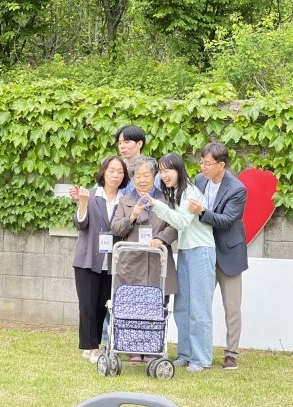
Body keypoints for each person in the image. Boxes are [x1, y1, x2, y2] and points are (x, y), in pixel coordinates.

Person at [143, 153, 216, 373]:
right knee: (182, 306)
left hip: (201, 251)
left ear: (179, 170)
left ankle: (202, 359)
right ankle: (185, 354)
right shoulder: (176, 193)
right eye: (161, 171)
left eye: (168, 170)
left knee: (199, 307)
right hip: (185, 251)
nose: (164, 175)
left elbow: (182, 222)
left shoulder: (191, 192)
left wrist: (156, 205)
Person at [110, 156, 178, 362]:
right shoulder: (125, 200)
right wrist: (132, 216)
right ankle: (133, 348)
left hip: (158, 263)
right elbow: (115, 228)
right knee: (133, 305)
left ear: (154, 176)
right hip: (132, 265)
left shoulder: (165, 200)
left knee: (157, 306)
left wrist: (160, 238)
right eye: (137, 176)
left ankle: (152, 348)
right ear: (132, 178)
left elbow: (174, 225)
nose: (142, 180)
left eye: (146, 175)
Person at [187, 142, 248, 370]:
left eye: (207, 163)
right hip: (203, 251)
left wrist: (201, 212)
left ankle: (231, 353)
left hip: (228, 252)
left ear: (221, 165)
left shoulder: (237, 189)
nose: (202, 167)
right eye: (201, 162)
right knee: (199, 303)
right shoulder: (200, 180)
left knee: (232, 306)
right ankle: (198, 351)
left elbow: (227, 220)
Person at [73, 156, 130, 363]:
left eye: (120, 172)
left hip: (112, 261)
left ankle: (92, 343)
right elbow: (80, 224)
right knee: (87, 304)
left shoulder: (125, 199)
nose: (116, 175)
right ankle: (93, 348)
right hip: (87, 259)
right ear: (103, 172)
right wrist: (83, 202)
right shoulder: (91, 194)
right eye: (112, 170)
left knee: (101, 305)